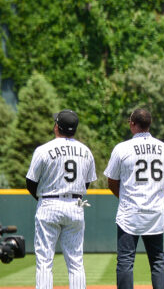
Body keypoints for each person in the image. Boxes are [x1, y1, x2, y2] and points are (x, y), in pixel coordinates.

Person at [25, 110, 97, 289]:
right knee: (76, 262)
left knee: (44, 260)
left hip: (49, 203)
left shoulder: (43, 150)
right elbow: (86, 183)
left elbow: (30, 182)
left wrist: (42, 198)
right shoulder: (86, 151)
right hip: (75, 204)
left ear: (57, 126)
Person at [104, 108, 164, 289]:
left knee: (126, 260)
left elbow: (111, 181)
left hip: (130, 211)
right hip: (155, 211)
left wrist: (125, 197)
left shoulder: (122, 148)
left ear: (132, 124)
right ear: (149, 124)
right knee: (158, 260)